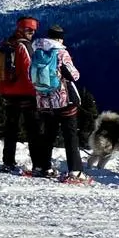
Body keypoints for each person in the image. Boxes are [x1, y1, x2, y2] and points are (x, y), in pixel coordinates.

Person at [30, 25, 85, 181]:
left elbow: (30, 76)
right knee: (70, 135)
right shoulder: (61, 52)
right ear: (60, 38)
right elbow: (75, 75)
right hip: (63, 100)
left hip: (44, 101)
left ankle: (43, 166)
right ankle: (75, 171)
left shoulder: (36, 52)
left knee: (47, 135)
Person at [0, 15, 40, 174]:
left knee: (10, 129)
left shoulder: (6, 43)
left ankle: (8, 162)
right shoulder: (24, 46)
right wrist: (37, 91)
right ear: (21, 28)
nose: (32, 33)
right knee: (33, 130)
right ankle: (38, 165)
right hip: (26, 94)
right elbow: (30, 70)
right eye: (29, 30)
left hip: (8, 93)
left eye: (33, 30)